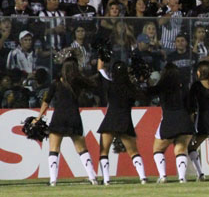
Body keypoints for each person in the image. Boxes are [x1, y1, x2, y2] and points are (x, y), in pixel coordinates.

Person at [34, 57, 98, 186]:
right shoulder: (78, 82)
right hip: (74, 117)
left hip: (59, 117)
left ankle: (53, 180)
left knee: (54, 149)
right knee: (82, 149)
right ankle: (93, 178)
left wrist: (38, 117)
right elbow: (94, 84)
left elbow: (46, 102)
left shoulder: (56, 83)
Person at [96, 59, 147, 185]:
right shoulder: (131, 87)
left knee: (104, 151)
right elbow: (143, 96)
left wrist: (102, 54)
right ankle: (143, 177)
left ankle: (106, 179)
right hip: (125, 120)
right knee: (133, 152)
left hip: (110, 120)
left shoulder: (109, 84)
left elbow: (100, 70)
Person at [148, 63, 196, 183]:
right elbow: (191, 107)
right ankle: (181, 178)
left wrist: (145, 81)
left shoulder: (162, 86)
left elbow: (147, 93)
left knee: (158, 149)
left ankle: (163, 176)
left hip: (169, 120)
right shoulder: (184, 86)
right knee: (180, 149)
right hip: (184, 120)